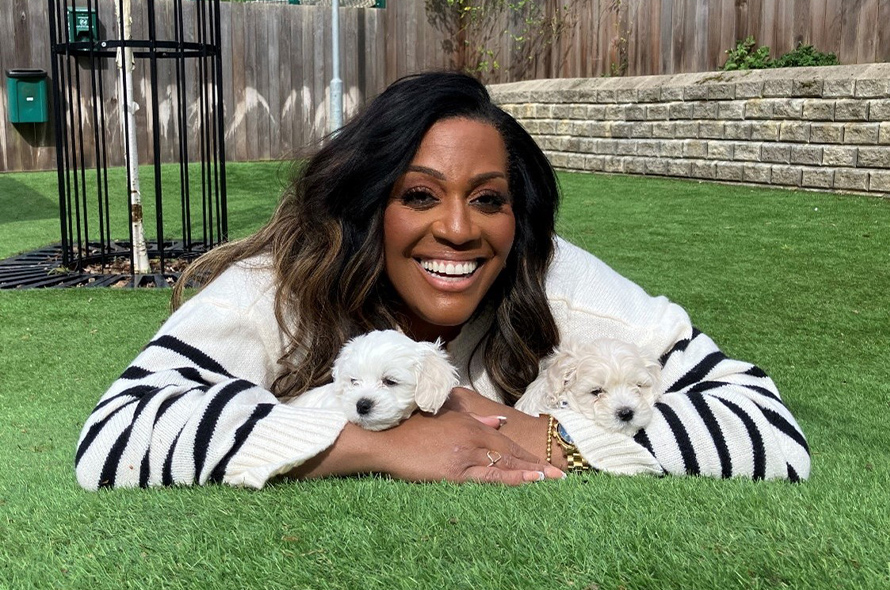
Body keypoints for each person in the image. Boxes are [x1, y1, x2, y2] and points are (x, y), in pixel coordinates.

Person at [75, 72, 811, 490]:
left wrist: (541, 434)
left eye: (489, 199)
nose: (459, 230)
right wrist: (375, 443)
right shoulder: (280, 286)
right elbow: (113, 436)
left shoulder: (563, 281)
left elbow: (771, 433)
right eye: (419, 195)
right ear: (368, 205)